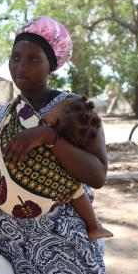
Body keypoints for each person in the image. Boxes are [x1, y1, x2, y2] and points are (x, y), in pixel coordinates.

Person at [0, 17, 138, 274]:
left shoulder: (73, 109)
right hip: (6, 252)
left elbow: (97, 174)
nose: (20, 67)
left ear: (51, 65)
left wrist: (47, 137)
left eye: (33, 59)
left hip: (63, 251)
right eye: (15, 58)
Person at [41, 95, 113, 239]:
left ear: (53, 122)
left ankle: (95, 227)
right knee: (78, 194)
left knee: (77, 192)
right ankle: (95, 227)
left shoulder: (41, 129)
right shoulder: (69, 144)